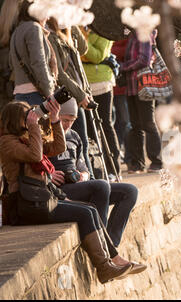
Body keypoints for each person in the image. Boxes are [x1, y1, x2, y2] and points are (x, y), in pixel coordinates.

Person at [0, 99, 134, 284]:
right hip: (26, 205)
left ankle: (107, 263)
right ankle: (104, 266)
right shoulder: (6, 142)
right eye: (26, 116)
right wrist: (34, 126)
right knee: (85, 213)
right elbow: (35, 155)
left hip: (41, 198)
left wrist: (54, 120)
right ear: (15, 120)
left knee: (90, 210)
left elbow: (57, 147)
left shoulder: (27, 139)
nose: (32, 118)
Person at [49, 100, 146, 272]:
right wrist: (48, 175)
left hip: (78, 185)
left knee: (130, 191)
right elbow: (32, 164)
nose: (67, 125)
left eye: (71, 120)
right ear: (56, 116)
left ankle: (110, 243)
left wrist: (83, 176)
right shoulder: (46, 135)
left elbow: (83, 166)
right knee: (101, 185)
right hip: (60, 189)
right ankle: (108, 251)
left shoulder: (74, 136)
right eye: (64, 120)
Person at [46, 17, 95, 179]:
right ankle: (86, 181)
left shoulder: (67, 33)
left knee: (83, 142)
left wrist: (72, 22)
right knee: (76, 140)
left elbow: (83, 48)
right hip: (67, 95)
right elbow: (59, 73)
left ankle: (88, 178)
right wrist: (80, 94)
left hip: (78, 95)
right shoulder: (50, 36)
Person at [120, 30, 163, 174]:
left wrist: (123, 66)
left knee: (148, 124)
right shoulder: (132, 35)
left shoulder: (145, 33)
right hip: (131, 86)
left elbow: (144, 59)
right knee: (135, 126)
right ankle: (138, 164)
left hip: (144, 85)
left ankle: (157, 161)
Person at [81, 28, 121, 181]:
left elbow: (97, 56)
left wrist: (82, 44)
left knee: (105, 125)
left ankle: (113, 168)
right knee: (89, 130)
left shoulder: (105, 30)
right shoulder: (78, 25)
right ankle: (97, 168)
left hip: (101, 83)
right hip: (83, 86)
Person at [8, 0, 57, 105]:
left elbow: (11, 63)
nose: (48, 18)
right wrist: (49, 93)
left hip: (19, 94)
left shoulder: (17, 30)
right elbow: (39, 62)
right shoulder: (34, 28)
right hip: (35, 95)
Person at [111, 39, 131, 163]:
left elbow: (126, 52)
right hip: (109, 87)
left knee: (124, 121)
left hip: (123, 87)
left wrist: (112, 55)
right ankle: (117, 152)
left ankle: (128, 154)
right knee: (113, 122)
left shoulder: (125, 34)